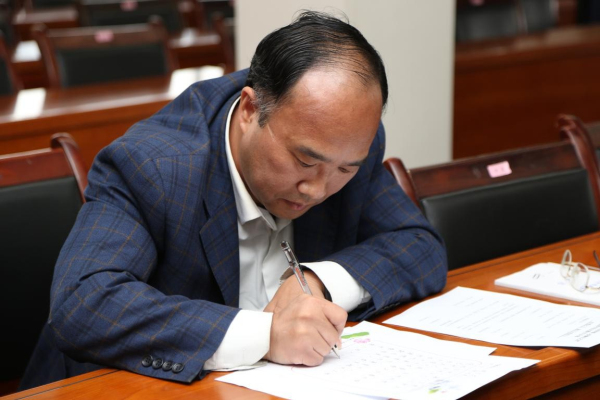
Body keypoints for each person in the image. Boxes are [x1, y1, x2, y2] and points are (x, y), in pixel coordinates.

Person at [20, 11, 447, 388]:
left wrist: (316, 282)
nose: (318, 189)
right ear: (249, 111)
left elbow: (419, 245)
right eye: (304, 161)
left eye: (345, 170)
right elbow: (84, 303)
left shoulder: (342, 146)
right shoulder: (154, 166)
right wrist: (267, 335)